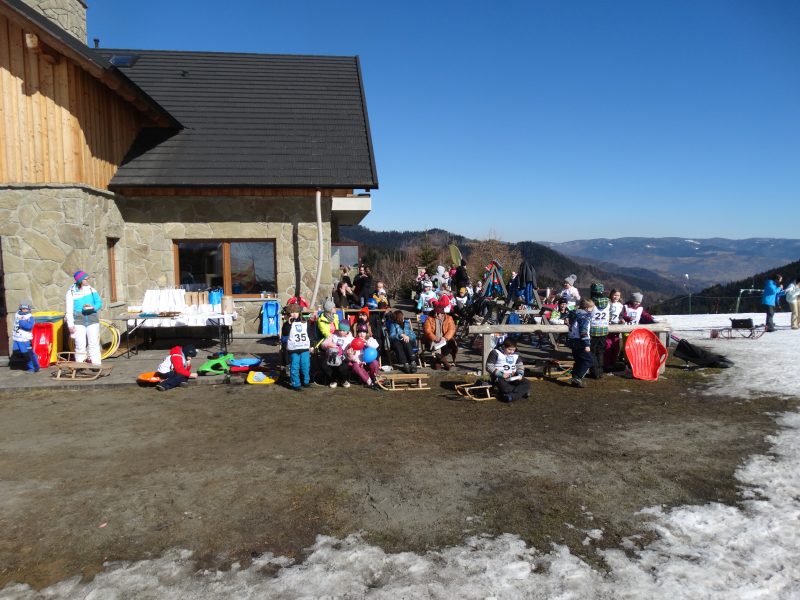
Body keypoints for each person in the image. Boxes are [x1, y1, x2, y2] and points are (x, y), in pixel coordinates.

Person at [65, 270, 103, 365]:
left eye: (87, 278)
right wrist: (70, 324)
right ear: (80, 280)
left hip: (92, 319)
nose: (87, 280)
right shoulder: (71, 292)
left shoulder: (92, 290)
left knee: (94, 343)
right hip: (78, 320)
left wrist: (93, 307)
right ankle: (80, 364)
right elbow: (69, 309)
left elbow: (99, 303)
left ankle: (96, 364)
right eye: (85, 279)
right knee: (80, 344)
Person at [486, 338, 530, 403]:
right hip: (500, 376)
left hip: (513, 376)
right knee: (505, 387)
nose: (511, 352)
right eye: (509, 349)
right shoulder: (495, 352)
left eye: (513, 349)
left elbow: (519, 365)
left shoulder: (516, 355)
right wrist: (501, 374)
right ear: (504, 347)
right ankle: (521, 393)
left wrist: (520, 374)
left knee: (526, 382)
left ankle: (511, 396)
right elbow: (489, 366)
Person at [566, 298, 594, 388]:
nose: (592, 310)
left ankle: (574, 377)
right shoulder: (584, 316)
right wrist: (586, 344)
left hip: (573, 339)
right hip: (580, 341)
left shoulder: (574, 314)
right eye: (592, 308)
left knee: (578, 360)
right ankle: (577, 377)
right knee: (589, 360)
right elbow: (583, 331)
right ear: (587, 308)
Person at [282, 304, 311, 391]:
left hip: (304, 347)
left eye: (296, 312)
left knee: (305, 365)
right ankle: (296, 383)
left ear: (299, 313)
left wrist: (312, 345)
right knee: (294, 366)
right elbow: (285, 334)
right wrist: (288, 324)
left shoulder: (305, 322)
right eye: (292, 312)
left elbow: (310, 334)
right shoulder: (287, 324)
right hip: (293, 349)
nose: (294, 314)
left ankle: (306, 381)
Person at [423, 299, 458, 370]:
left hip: (444, 339)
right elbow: (427, 330)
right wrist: (434, 338)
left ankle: (438, 361)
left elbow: (452, 329)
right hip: (431, 339)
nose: (436, 315)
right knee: (433, 344)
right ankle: (445, 362)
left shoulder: (449, 318)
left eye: (438, 313)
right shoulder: (429, 318)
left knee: (450, 344)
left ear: (443, 313)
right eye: (435, 313)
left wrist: (445, 338)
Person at [347, 324, 381, 389]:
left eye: (364, 332)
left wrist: (366, 342)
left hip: (369, 362)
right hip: (359, 362)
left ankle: (374, 379)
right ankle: (369, 382)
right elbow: (352, 355)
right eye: (360, 332)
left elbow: (376, 346)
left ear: (366, 333)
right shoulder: (354, 341)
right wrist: (359, 361)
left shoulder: (370, 339)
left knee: (375, 363)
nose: (362, 334)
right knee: (355, 365)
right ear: (357, 333)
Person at [321, 322, 353, 388]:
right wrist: (328, 345)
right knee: (324, 365)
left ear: (347, 331)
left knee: (343, 368)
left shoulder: (351, 339)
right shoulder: (333, 335)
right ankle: (333, 380)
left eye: (343, 331)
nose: (341, 332)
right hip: (332, 358)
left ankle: (343, 380)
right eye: (340, 330)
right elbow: (323, 345)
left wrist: (350, 353)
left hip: (343, 359)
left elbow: (355, 351)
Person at [588, 282, 610, 379]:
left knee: (592, 351)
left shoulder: (591, 302)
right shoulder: (608, 302)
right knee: (600, 351)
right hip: (604, 329)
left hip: (593, 329)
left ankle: (594, 372)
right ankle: (600, 372)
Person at [12, 300, 40, 373]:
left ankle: (34, 367)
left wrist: (22, 322)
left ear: (28, 309)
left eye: (26, 309)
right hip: (16, 337)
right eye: (23, 308)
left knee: (27, 353)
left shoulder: (30, 317)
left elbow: (29, 326)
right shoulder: (17, 314)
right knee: (17, 351)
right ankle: (32, 362)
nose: (24, 310)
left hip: (24, 339)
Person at [605, 289, 625, 369]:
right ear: (611, 295)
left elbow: (621, 315)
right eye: (615, 295)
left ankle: (614, 362)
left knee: (616, 345)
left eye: (618, 295)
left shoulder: (620, 305)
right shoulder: (607, 303)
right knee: (608, 344)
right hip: (608, 326)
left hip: (616, 327)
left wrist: (621, 320)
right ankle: (607, 363)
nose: (616, 297)